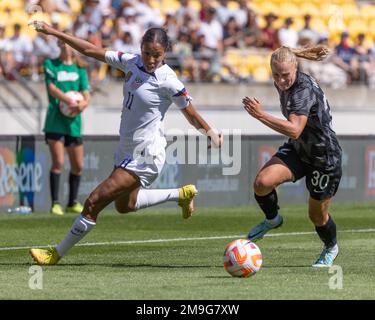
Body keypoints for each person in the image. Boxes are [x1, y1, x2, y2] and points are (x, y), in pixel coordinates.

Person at [29, 22, 223, 265]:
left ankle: (55, 254)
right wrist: (54, 32)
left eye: (157, 55)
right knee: (125, 205)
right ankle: (180, 194)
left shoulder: (169, 81)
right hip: (126, 150)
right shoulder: (130, 61)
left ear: (165, 54)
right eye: (147, 53)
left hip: (146, 155)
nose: (151, 59)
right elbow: (91, 50)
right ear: (140, 48)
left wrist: (211, 133)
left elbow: (191, 114)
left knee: (93, 202)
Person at [242, 45, 342, 267]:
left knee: (317, 217)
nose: (281, 80)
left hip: (323, 157)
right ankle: (273, 219)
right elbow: (297, 135)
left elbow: (295, 129)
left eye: (285, 75)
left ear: (295, 67)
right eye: (276, 75)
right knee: (262, 183)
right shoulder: (285, 80)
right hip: (300, 149)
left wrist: (260, 115)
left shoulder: (302, 89)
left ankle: (331, 246)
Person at [43, 39, 91, 216]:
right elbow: (52, 88)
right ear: (58, 46)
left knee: (78, 165)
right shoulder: (51, 64)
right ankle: (55, 203)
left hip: (73, 123)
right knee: (58, 163)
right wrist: (70, 101)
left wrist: (83, 104)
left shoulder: (80, 68)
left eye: (68, 43)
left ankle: (72, 202)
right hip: (55, 121)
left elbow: (86, 92)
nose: (65, 46)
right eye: (62, 43)